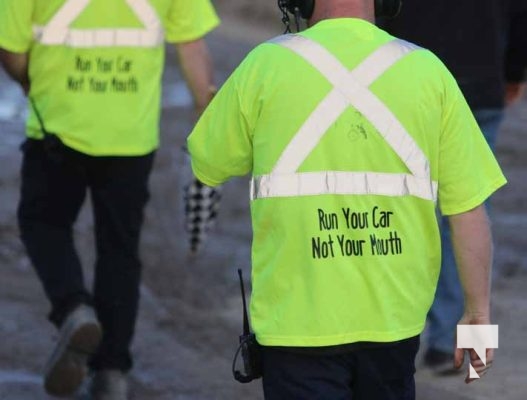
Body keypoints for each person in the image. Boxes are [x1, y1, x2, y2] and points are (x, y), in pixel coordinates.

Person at [187, 0, 507, 398]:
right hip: (394, 325)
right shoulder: (428, 71)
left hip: (296, 327)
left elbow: (207, 163)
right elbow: (469, 208)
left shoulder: (265, 65)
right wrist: (478, 316)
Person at [0, 0, 219, 398]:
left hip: (57, 125)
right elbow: (192, 46)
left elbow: (11, 50)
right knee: (119, 250)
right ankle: (112, 372)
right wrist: (206, 113)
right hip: (130, 136)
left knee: (43, 223)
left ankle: (73, 309)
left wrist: (32, 84)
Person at [379, 0, 527, 373]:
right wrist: (513, 75)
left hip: (405, 88)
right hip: (481, 84)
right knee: (471, 212)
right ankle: (461, 350)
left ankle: (386, 334)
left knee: (399, 208)